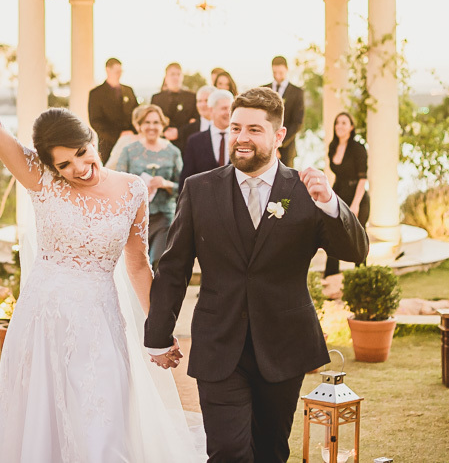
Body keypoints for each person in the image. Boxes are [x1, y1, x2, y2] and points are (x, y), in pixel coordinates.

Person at [0, 40, 203, 463]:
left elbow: (137, 264)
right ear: (49, 167)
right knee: (41, 420)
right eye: (64, 165)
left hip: (100, 319)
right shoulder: (42, 182)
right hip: (43, 318)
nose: (78, 168)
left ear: (91, 140)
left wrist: (158, 332)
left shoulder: (132, 189)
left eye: (81, 153)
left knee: (100, 416)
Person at [145, 87, 368, 462]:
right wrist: (158, 335)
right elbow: (173, 267)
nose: (241, 138)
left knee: (270, 450)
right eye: (235, 128)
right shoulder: (199, 189)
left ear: (278, 136)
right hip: (219, 343)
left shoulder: (305, 190)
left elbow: (355, 251)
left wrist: (331, 203)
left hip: (283, 344)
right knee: (228, 450)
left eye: (253, 129)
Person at [113, 104, 182, 266]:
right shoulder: (129, 151)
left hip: (163, 217)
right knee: (137, 264)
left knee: (158, 262)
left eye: (156, 122)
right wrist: (137, 187)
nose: (152, 127)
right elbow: (118, 184)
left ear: (163, 125)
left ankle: (155, 292)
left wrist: (166, 184)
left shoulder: (173, 152)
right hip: (134, 219)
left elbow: (183, 187)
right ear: (139, 125)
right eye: (147, 122)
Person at [323, 112, 370, 277]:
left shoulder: (358, 148)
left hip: (357, 195)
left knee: (357, 237)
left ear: (351, 127)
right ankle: (331, 275)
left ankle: (360, 276)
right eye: (337, 123)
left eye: (344, 123)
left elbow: (362, 179)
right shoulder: (332, 146)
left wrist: (355, 204)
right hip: (339, 192)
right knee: (332, 233)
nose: (340, 126)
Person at [179, 88, 233, 190]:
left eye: (231, 109)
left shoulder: (241, 140)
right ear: (212, 110)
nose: (228, 113)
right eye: (224, 108)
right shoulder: (195, 141)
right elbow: (186, 180)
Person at [88, 57, 137, 163]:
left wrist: (133, 132)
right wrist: (118, 135)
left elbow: (136, 113)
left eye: (121, 71)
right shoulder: (96, 93)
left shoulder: (128, 90)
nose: (119, 74)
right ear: (107, 70)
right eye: (117, 71)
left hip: (131, 141)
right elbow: (95, 121)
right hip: (108, 145)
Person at [263, 56, 305, 167]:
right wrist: (269, 144)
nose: (277, 76)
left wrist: (279, 143)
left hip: (287, 147)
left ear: (287, 69)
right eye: (274, 72)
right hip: (265, 146)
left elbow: (298, 122)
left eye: (280, 72)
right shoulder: (264, 89)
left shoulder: (297, 92)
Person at [150, 63, 197, 155]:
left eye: (178, 74)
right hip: (162, 143)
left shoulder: (192, 97)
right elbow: (153, 119)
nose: (176, 77)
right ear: (166, 77)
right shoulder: (156, 98)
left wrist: (179, 132)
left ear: (182, 77)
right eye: (172, 74)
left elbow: (196, 122)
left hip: (186, 144)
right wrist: (165, 130)